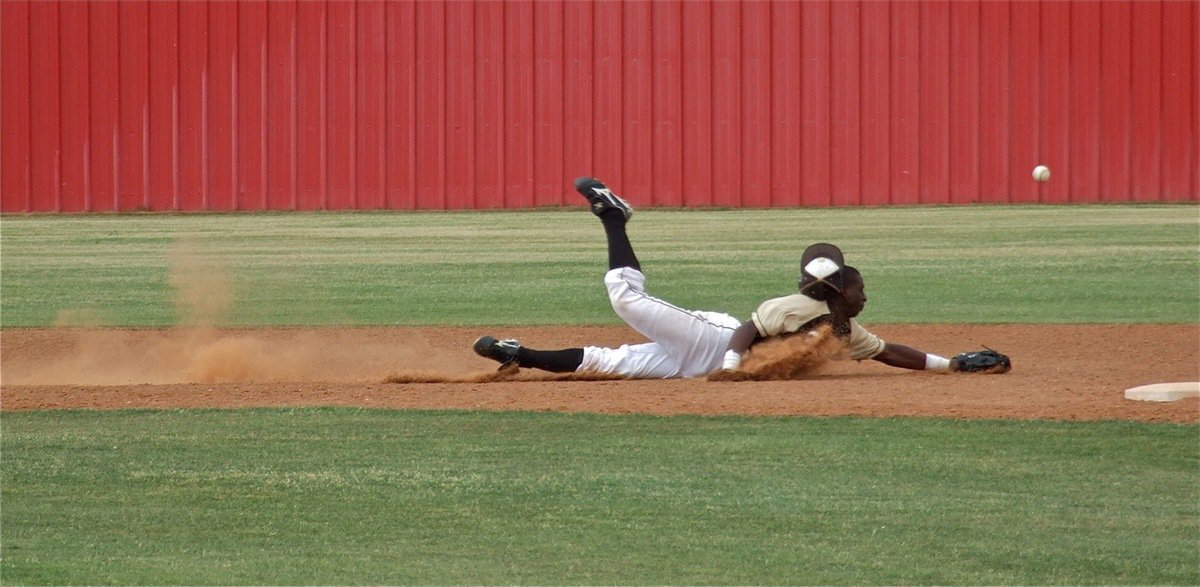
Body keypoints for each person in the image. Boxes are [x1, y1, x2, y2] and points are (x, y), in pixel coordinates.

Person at [472, 177, 973, 378]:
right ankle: (614, 219)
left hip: (694, 367)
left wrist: (952, 365)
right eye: (861, 288)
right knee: (625, 298)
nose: (868, 296)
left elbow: (892, 354)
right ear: (843, 291)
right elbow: (748, 331)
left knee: (609, 363)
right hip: (711, 340)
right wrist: (732, 365)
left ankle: (519, 355)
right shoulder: (796, 309)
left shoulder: (848, 331)